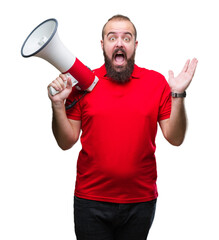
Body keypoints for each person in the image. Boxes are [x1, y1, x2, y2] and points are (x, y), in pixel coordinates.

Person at [48, 15, 198, 240]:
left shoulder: (156, 83)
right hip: (90, 201)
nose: (119, 43)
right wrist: (58, 105)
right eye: (112, 37)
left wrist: (178, 95)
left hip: (141, 202)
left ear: (135, 45)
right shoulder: (84, 84)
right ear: (103, 45)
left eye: (126, 38)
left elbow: (175, 138)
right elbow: (65, 142)